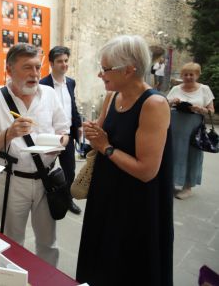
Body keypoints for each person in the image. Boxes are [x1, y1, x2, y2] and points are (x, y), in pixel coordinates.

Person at [76, 35, 174, 286]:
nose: (101, 75)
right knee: (101, 261)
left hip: (136, 203)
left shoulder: (153, 104)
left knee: (128, 267)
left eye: (106, 69)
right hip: (106, 193)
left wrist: (106, 147)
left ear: (129, 70)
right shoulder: (112, 96)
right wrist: (92, 132)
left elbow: (147, 171)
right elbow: (101, 135)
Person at [0, 43, 70, 266]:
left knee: (48, 242)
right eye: (27, 67)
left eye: (38, 67)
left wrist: (60, 143)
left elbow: (64, 131)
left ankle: (47, 280)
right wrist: (9, 134)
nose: (35, 74)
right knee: (11, 241)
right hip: (12, 180)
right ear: (9, 70)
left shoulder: (48, 94)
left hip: (47, 179)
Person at [40, 46, 82, 215]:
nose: (64, 64)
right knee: (44, 169)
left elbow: (72, 105)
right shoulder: (43, 84)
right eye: (60, 61)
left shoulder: (71, 82)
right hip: (49, 135)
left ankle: (67, 200)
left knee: (69, 171)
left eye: (66, 61)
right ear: (51, 63)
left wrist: (78, 125)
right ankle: (43, 198)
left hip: (67, 134)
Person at [166, 62, 215, 200]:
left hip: (194, 129)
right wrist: (172, 102)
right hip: (175, 128)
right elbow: (164, 104)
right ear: (182, 75)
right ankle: (171, 184)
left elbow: (211, 110)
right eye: (185, 74)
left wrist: (201, 109)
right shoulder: (175, 89)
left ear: (197, 75)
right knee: (174, 154)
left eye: (191, 74)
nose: (188, 77)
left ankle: (188, 187)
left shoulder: (204, 89)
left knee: (192, 156)